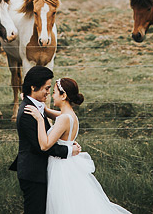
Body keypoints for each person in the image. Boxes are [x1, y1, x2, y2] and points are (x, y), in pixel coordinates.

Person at [24, 77, 131, 214]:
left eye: (55, 92)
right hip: (70, 164)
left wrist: (39, 119)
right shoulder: (70, 116)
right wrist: (37, 104)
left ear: (64, 96)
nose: (52, 95)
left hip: (60, 168)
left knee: (63, 205)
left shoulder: (63, 119)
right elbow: (51, 114)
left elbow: (45, 145)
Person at [10, 66, 81, 214]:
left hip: (44, 171)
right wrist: (68, 150)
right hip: (33, 173)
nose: (49, 93)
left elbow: (57, 116)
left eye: (51, 90)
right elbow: (41, 146)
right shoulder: (28, 113)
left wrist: (43, 110)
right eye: (47, 88)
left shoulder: (37, 107)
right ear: (34, 87)